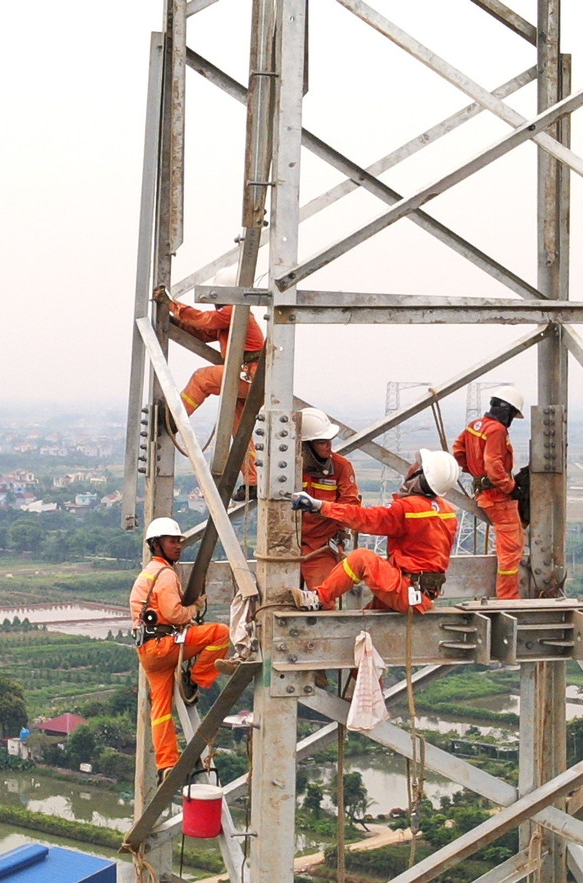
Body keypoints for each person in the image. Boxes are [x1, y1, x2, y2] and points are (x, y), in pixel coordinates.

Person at [289, 449, 459, 613]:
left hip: (407, 590)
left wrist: (320, 506)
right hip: (420, 592)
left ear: (419, 477)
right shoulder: (448, 511)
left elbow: (365, 518)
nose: (411, 468)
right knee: (364, 624)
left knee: (362, 558)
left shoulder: (408, 509)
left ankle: (319, 599)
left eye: (416, 465)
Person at [129, 517, 232, 778]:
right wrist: (195, 608)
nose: (178, 546)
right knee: (221, 634)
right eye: (172, 541)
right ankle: (195, 679)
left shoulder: (147, 574)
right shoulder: (164, 575)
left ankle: (166, 765)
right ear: (156, 544)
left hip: (148, 652)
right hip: (165, 646)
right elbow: (174, 613)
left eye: (179, 541)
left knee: (161, 709)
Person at [153, 268, 266, 493]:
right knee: (239, 430)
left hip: (250, 377)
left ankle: (175, 418)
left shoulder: (235, 310)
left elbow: (205, 321)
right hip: (252, 379)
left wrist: (173, 305)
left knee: (202, 378)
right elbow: (204, 332)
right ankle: (253, 481)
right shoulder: (232, 317)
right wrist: (176, 321)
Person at [453, 385, 525, 599]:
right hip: (498, 497)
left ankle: (506, 596)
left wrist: (476, 474)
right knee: (511, 550)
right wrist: (511, 487)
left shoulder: (475, 425)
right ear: (507, 411)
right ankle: (508, 598)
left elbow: (458, 452)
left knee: (508, 546)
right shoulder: (497, 430)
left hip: (485, 494)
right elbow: (494, 465)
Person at [297, 407, 361, 591]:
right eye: (322, 442)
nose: (329, 446)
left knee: (324, 598)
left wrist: (321, 508)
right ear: (306, 445)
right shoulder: (287, 469)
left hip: (321, 546)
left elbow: (351, 508)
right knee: (278, 601)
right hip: (285, 543)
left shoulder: (341, 467)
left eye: (329, 441)